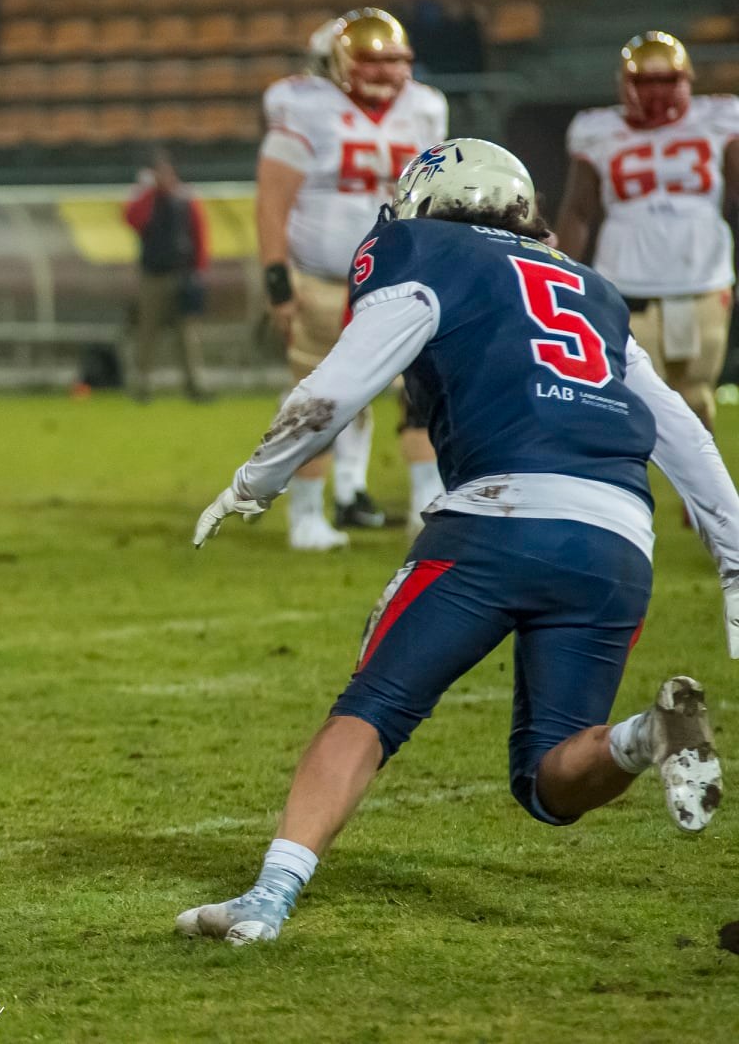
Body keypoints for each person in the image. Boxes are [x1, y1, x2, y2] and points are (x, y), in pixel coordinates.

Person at [183, 139, 731, 945]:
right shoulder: (591, 287)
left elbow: (335, 390)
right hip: (617, 539)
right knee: (548, 782)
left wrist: (254, 481)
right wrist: (734, 556)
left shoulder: (423, 250)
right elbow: (681, 434)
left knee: (371, 707)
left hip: (497, 517)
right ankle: (647, 734)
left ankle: (270, 895)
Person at [257, 8, 449, 548]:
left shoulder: (426, 108)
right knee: (317, 399)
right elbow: (273, 200)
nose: (386, 73)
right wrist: (277, 278)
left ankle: (426, 508)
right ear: (342, 62)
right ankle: (306, 516)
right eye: (373, 61)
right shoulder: (305, 107)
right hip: (323, 281)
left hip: (404, 279)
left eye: (395, 61)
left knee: (424, 394)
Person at [556, 31, 739, 432]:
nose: (656, 91)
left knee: (694, 394)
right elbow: (579, 209)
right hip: (626, 279)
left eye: (666, 80)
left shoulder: (719, 118)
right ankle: (632, 489)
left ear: (687, 80)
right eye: (645, 81)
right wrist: (561, 273)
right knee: (635, 394)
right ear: (624, 84)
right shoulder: (597, 128)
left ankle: (697, 491)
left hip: (701, 276)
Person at [124, 150, 211, 402]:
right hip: (153, 277)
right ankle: (143, 384)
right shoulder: (148, 201)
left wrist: (198, 271)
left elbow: (199, 236)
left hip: (181, 275)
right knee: (147, 332)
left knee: (187, 335)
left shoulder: (185, 200)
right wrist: (148, 192)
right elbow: (131, 218)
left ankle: (194, 384)